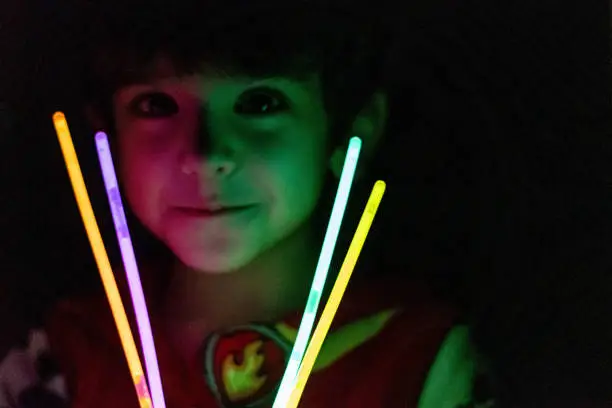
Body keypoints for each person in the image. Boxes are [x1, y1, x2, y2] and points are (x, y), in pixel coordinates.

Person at [1, 0, 495, 407]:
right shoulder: (67, 354)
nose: (205, 153)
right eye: (156, 106)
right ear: (106, 133)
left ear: (352, 131)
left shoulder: (419, 360)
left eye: (260, 103)